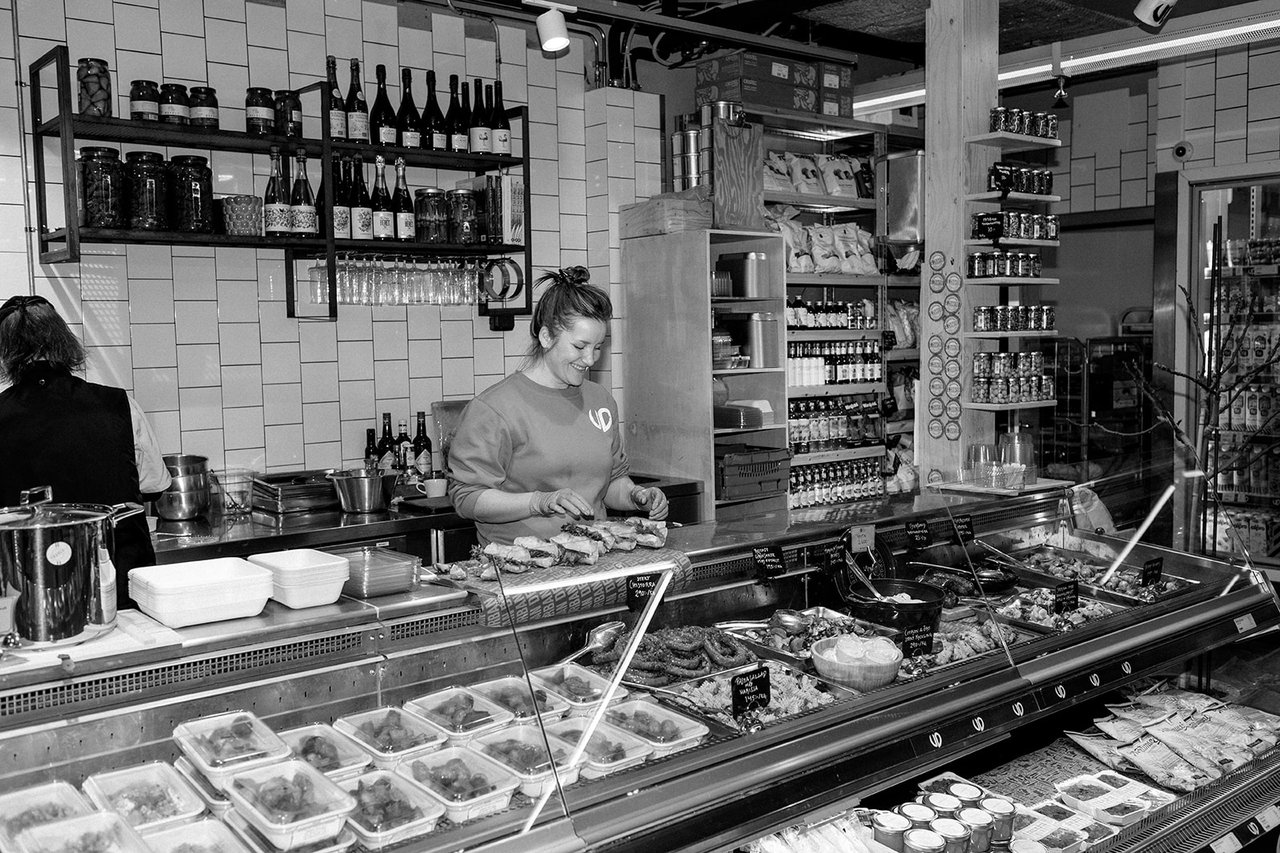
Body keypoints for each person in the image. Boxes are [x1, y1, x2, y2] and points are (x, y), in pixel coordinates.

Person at [448, 266, 668, 545]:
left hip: (594, 557)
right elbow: (468, 498)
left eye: (598, 347)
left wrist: (636, 496)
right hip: (523, 563)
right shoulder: (494, 409)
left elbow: (610, 482)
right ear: (546, 337)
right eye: (579, 346)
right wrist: (539, 502)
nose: (590, 359)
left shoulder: (600, 401)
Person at [0, 294, 171, 610]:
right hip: (117, 584)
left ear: (5, 354)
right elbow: (154, 484)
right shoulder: (118, 404)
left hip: (30, 594)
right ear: (64, 342)